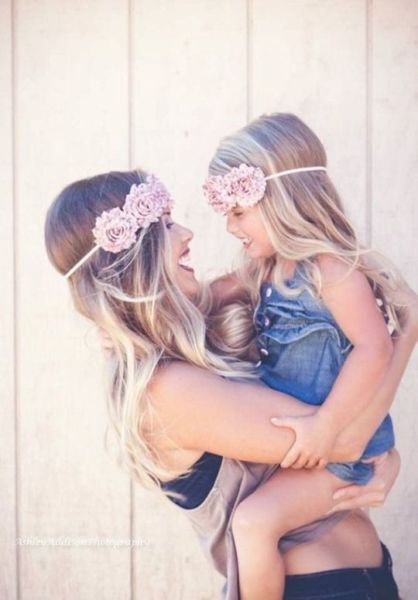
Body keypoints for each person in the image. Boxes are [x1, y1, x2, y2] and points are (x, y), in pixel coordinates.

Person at [44, 168, 416, 599]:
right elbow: (345, 440)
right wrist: (405, 335)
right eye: (165, 225)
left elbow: (287, 257)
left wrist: (386, 457)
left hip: (354, 581)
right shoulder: (168, 391)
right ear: (136, 257)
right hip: (318, 590)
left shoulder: (190, 340)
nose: (187, 234)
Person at [203, 112, 412, 599]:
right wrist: (133, 315)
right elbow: (205, 299)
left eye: (239, 211)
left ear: (282, 202)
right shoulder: (264, 269)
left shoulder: (330, 270)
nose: (230, 225)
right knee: (251, 523)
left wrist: (326, 425)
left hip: (339, 451)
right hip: (311, 448)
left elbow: (375, 347)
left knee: (253, 523)